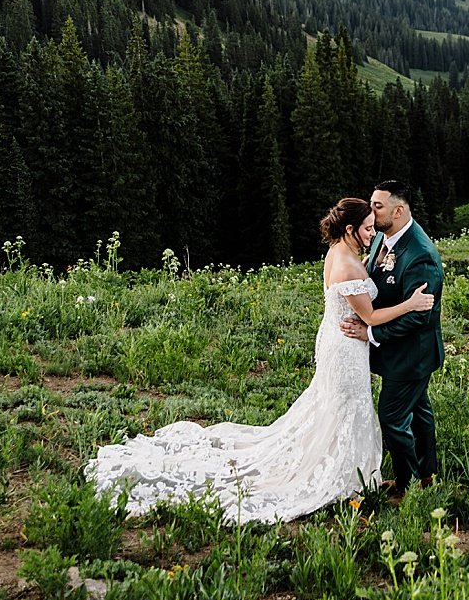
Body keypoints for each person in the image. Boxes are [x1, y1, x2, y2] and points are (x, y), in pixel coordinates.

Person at [84, 197, 434, 523]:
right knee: (346, 408)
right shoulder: (347, 265)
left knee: (335, 408)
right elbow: (371, 317)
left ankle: (354, 467)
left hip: (339, 341)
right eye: (368, 228)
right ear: (349, 229)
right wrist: (410, 304)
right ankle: (339, 472)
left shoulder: (338, 253)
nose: (373, 233)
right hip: (345, 347)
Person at [339, 180, 444, 496]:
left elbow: (418, 316)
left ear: (398, 211)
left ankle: (406, 484)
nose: (370, 210)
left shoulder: (420, 255)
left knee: (393, 416)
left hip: (413, 354)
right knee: (419, 411)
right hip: (399, 353)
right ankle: (427, 475)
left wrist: (370, 332)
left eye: (377, 206)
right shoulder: (383, 239)